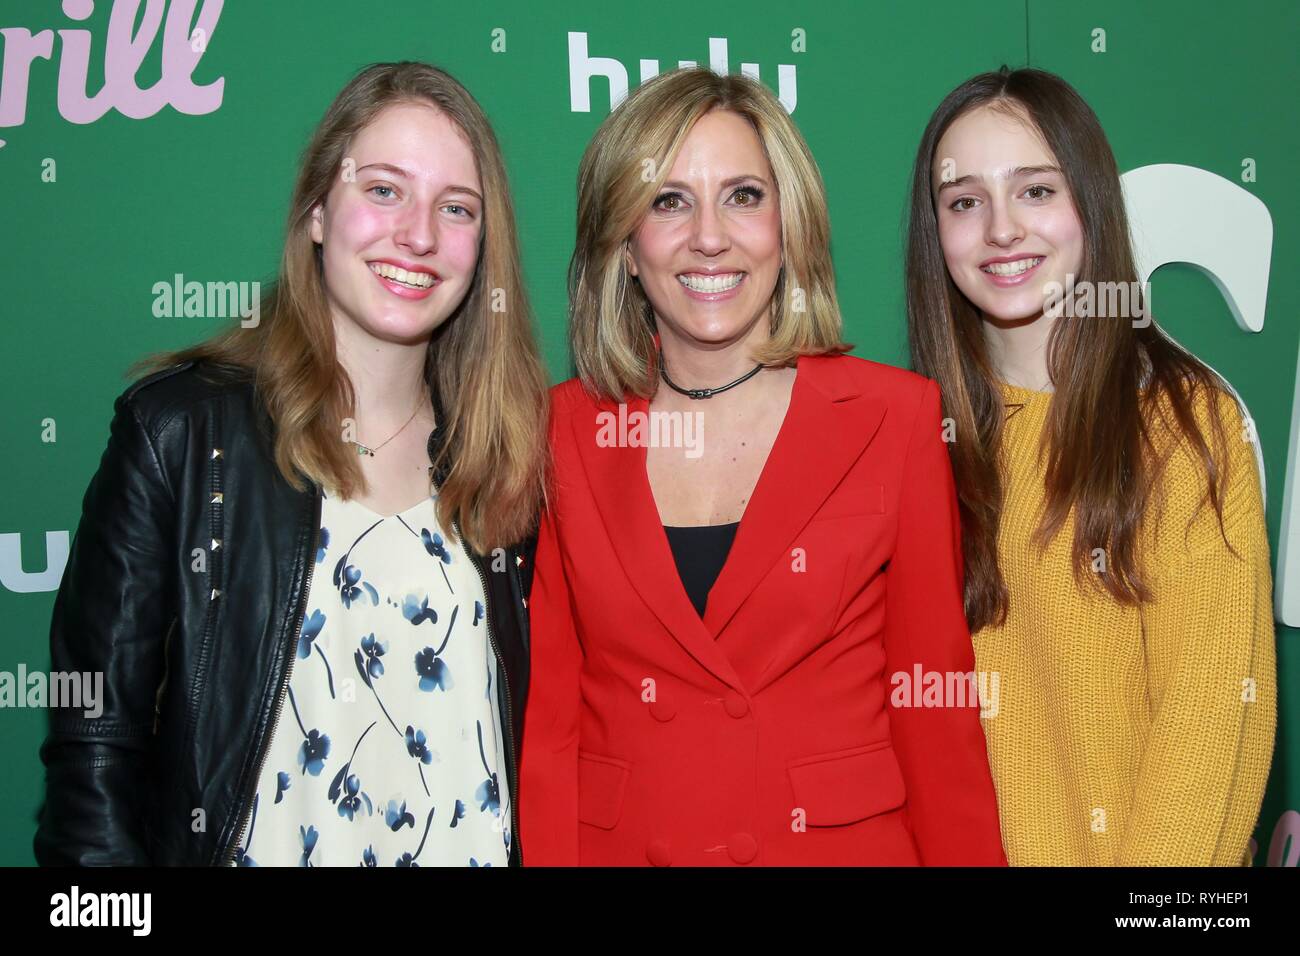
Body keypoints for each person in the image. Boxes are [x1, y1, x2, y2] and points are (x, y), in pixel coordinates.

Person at [34, 61, 549, 867]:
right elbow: (92, 756)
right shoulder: (180, 433)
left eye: (456, 209)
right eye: (383, 190)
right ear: (316, 210)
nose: (417, 234)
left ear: (482, 247)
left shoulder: (514, 461)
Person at [520, 67, 1006, 866]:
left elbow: (934, 716)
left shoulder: (896, 418)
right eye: (668, 200)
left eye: (743, 195)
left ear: (790, 226)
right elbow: (552, 726)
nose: (709, 236)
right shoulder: (562, 430)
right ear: (626, 247)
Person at [905, 66, 1277, 865]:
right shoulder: (916, 438)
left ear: (1093, 205)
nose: (1002, 229)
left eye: (1036, 190)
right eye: (964, 201)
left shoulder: (1186, 427)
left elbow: (1211, 727)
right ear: (935, 233)